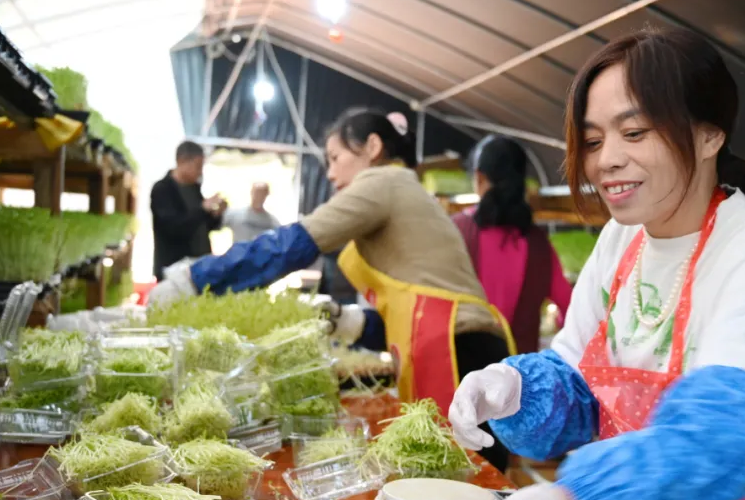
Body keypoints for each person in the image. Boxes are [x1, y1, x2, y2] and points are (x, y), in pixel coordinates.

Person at [426, 28, 745, 500]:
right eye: (593, 140)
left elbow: (714, 442)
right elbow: (583, 391)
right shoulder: (623, 240)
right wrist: (517, 389)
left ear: (708, 134)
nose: (605, 160)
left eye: (635, 132)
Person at [148, 109, 517, 470]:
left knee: (462, 479)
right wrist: (353, 322)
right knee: (454, 481)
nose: (330, 172)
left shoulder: (383, 183)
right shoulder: (403, 189)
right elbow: (414, 303)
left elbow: (291, 245)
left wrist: (196, 279)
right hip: (464, 348)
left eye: (336, 157)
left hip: (457, 353)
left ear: (372, 147)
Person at [451, 135, 572, 354]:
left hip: (461, 373)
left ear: (479, 178)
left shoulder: (458, 231)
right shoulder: (538, 244)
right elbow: (572, 310)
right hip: (520, 379)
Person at [150, 141, 226, 280]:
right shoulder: (162, 189)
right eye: (197, 166)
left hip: (199, 265)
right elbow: (173, 227)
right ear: (182, 161)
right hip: (174, 269)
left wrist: (215, 214)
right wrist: (202, 209)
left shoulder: (194, 188)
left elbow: (202, 225)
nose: (200, 172)